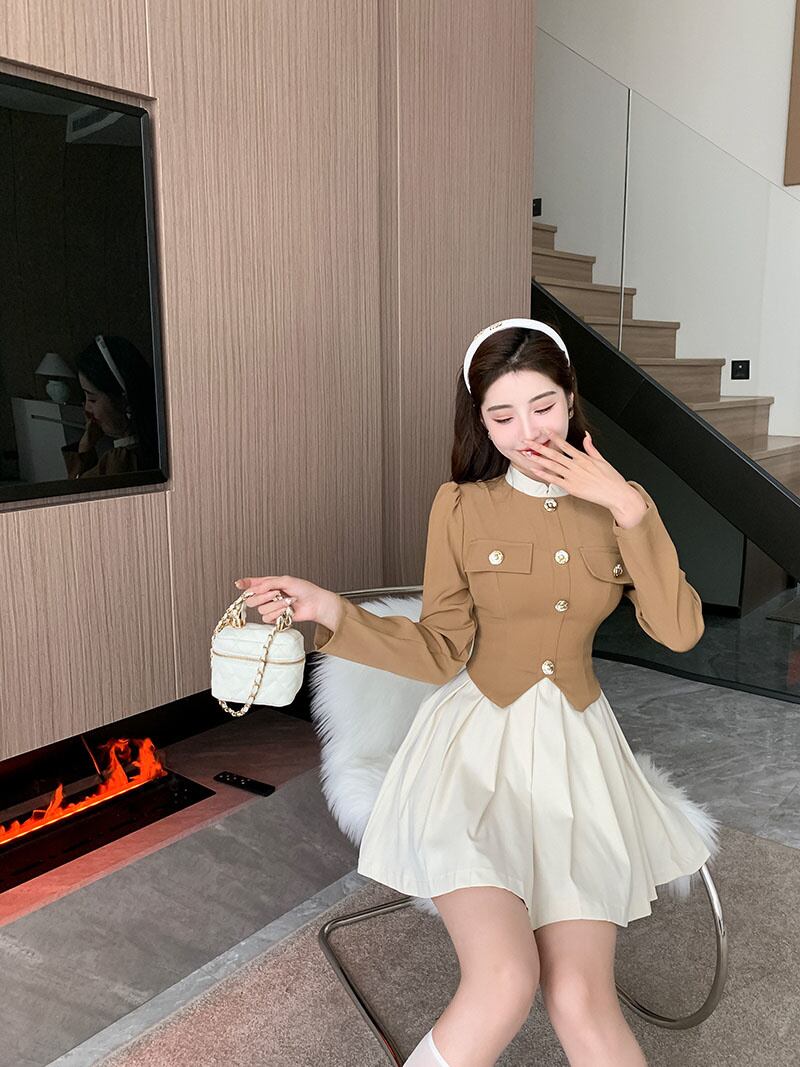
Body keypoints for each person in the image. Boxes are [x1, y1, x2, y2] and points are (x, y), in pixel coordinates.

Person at [235, 318, 709, 1067]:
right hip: (472, 761)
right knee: (504, 980)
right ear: (480, 422)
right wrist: (329, 611)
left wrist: (627, 507)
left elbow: (679, 631)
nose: (529, 431)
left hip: (578, 764)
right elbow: (438, 649)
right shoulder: (461, 507)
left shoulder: (624, 505)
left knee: (581, 999)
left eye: (544, 406)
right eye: (503, 415)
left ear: (571, 399)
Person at [61, 334, 159, 479]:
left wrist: (84, 449)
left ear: (124, 400)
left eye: (92, 399)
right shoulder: (155, 445)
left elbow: (77, 490)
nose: (87, 408)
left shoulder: (120, 462)